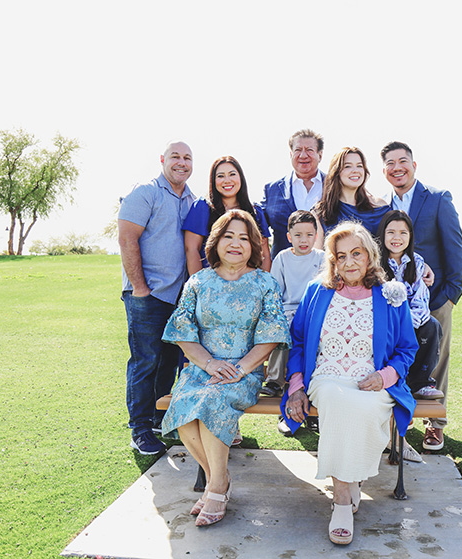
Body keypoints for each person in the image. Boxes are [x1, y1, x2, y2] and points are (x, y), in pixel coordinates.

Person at [281, 222, 418, 545]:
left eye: (356, 254)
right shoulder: (318, 291)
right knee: (337, 401)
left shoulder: (390, 295)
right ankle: (342, 501)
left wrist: (385, 377)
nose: (349, 262)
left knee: (367, 409)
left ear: (370, 256)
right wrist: (296, 386)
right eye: (341, 256)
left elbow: (406, 348)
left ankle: (352, 478)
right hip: (326, 377)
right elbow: (298, 342)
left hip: (372, 381)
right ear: (333, 260)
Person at [159, 210, 290, 527]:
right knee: (184, 411)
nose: (236, 243)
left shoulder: (264, 283)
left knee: (212, 402)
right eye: (229, 236)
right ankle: (221, 478)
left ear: (253, 246)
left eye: (244, 237)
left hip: (243, 372)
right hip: (201, 368)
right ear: (216, 242)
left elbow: (272, 335)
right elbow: (182, 331)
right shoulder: (198, 281)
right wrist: (209, 363)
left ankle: (216, 488)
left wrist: (241, 368)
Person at [381, 142, 462, 452]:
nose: (397, 167)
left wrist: (451, 295)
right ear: (385, 170)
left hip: (434, 298)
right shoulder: (382, 205)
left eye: (403, 160)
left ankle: (436, 424)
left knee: (437, 358)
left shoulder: (438, 199)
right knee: (400, 355)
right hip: (393, 303)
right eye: (390, 162)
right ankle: (403, 414)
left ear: (414, 165)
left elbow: (454, 246)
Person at [118, 141, 196, 455]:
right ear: (163, 160)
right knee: (144, 361)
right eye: (175, 157)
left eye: (187, 158)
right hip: (146, 295)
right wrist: (140, 287)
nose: (181, 162)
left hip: (177, 297)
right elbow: (127, 238)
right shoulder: (146, 193)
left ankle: (158, 420)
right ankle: (139, 428)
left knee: (168, 362)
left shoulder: (192, 200)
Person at [378, 210, 445, 462]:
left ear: (410, 236)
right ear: (382, 235)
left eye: (403, 233)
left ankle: (420, 383)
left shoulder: (416, 262)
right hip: (382, 326)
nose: (397, 238)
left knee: (432, 327)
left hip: (411, 323)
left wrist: (405, 325)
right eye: (391, 232)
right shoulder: (374, 262)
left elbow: (421, 303)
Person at [260, 210, 325, 429]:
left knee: (315, 338)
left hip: (314, 310)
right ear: (289, 237)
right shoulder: (283, 258)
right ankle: (275, 380)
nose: (303, 240)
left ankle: (312, 396)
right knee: (282, 331)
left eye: (308, 234)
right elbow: (276, 291)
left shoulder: (322, 258)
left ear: (316, 235)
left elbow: (325, 290)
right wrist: (278, 316)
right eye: (298, 235)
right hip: (288, 309)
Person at [183, 156, 271, 275]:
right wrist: (200, 287)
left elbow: (264, 254)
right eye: (220, 176)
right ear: (213, 181)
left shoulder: (255, 212)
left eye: (232, 174)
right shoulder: (202, 207)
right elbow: (192, 249)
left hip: (247, 284)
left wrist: (261, 286)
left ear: (241, 177)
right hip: (212, 283)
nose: (227, 180)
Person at [259, 129, 326, 259]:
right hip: (284, 272)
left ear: (320, 155)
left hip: (326, 271)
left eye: (309, 150)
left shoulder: (334, 187)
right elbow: (256, 226)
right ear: (291, 154)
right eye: (298, 150)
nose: (303, 155)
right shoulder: (272, 190)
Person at [314, 146, 390, 238]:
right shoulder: (321, 213)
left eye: (359, 166)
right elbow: (317, 252)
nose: (355, 170)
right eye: (347, 166)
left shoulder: (380, 206)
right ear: (336, 172)